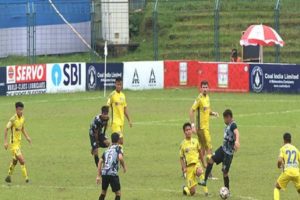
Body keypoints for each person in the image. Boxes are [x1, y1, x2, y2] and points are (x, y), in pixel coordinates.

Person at [200, 109, 240, 195]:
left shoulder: (233, 125)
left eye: (224, 119)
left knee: (225, 172)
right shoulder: (228, 125)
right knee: (211, 160)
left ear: (228, 117)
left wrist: (237, 141)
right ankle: (204, 181)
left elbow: (237, 132)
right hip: (222, 149)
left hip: (228, 154)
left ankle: (227, 191)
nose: (224, 120)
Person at [189, 80, 219, 168]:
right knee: (209, 148)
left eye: (206, 87)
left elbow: (207, 110)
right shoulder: (199, 99)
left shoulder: (207, 98)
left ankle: (192, 166)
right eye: (203, 87)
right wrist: (193, 125)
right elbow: (191, 111)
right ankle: (208, 171)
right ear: (200, 88)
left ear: (208, 88)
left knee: (202, 149)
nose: (205, 89)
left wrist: (213, 113)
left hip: (206, 127)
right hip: (201, 128)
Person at [4, 102, 32, 183]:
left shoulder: (23, 118)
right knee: (22, 160)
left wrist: (27, 137)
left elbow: (22, 128)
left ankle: (8, 176)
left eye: (22, 109)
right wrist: (5, 142)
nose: (21, 111)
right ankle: (27, 179)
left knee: (15, 161)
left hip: (18, 144)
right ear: (16, 109)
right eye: (20, 109)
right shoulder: (12, 119)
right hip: (13, 145)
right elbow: (6, 129)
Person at [180, 122, 208, 196]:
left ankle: (206, 192)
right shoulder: (182, 144)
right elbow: (181, 158)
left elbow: (200, 153)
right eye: (186, 130)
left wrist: (204, 163)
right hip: (189, 168)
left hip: (196, 164)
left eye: (189, 129)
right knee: (192, 192)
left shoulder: (195, 141)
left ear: (191, 130)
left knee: (200, 171)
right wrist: (184, 168)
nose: (188, 131)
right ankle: (185, 188)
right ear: (184, 132)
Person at [96, 133, 126, 200]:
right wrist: (124, 167)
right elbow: (120, 158)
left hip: (104, 173)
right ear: (118, 140)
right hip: (112, 174)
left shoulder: (107, 150)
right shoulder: (118, 148)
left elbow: (100, 162)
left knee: (103, 192)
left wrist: (98, 176)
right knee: (118, 193)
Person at [273, 133, 300, 200]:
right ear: (291, 140)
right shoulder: (296, 149)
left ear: (284, 140)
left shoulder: (283, 148)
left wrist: (279, 166)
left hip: (287, 171)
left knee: (277, 187)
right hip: (296, 172)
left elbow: (279, 160)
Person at [107, 77, 132, 146]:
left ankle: (117, 154)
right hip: (115, 122)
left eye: (120, 85)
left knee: (118, 142)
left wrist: (129, 120)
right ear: (115, 84)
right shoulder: (112, 95)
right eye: (118, 84)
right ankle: (117, 154)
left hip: (121, 122)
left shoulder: (123, 95)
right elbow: (107, 106)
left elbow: (125, 109)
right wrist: (106, 119)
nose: (119, 86)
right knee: (120, 140)